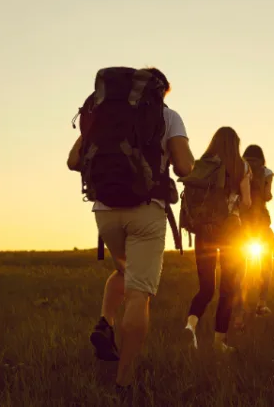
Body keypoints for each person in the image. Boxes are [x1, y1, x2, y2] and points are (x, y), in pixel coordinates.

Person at [67, 67, 194, 390]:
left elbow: (72, 160)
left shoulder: (107, 113)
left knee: (123, 271)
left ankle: (105, 323)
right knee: (139, 293)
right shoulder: (168, 116)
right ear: (162, 90)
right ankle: (124, 382)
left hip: (105, 212)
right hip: (147, 210)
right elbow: (183, 165)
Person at [182, 126, 251, 352]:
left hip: (204, 231)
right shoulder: (241, 166)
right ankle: (219, 343)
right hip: (231, 233)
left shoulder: (203, 164)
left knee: (206, 288)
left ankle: (191, 327)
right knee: (227, 290)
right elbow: (248, 202)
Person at [233, 144, 274, 328]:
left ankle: (238, 312)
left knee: (239, 267)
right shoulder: (266, 172)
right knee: (267, 263)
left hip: (241, 221)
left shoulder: (238, 169)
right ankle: (261, 303)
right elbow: (267, 196)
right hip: (260, 223)